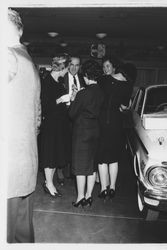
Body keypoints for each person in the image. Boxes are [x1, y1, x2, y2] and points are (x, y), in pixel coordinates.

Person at [6, 9, 41, 243]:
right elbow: (37, 117)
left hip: (7, 161)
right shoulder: (29, 60)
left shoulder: (7, 56)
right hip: (25, 159)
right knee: (22, 231)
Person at [69, 60, 104, 207]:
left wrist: (73, 99)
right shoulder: (101, 92)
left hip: (82, 132)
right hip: (95, 131)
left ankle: (80, 197)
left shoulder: (83, 93)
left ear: (87, 75)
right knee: (91, 165)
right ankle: (89, 196)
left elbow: (71, 114)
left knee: (80, 166)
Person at [97, 56, 132, 200]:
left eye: (108, 66)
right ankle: (112, 188)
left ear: (114, 68)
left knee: (102, 157)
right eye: (104, 67)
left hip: (102, 121)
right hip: (116, 122)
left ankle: (103, 188)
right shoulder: (127, 84)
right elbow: (125, 107)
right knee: (114, 157)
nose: (106, 69)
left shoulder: (102, 80)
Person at [40, 53, 71, 197]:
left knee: (54, 155)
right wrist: (60, 100)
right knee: (49, 155)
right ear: (62, 67)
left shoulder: (58, 81)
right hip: (51, 124)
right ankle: (49, 183)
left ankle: (49, 182)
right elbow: (45, 106)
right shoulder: (46, 82)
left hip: (59, 123)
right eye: (67, 67)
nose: (67, 71)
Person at [57, 55, 86, 181]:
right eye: (72, 64)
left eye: (77, 65)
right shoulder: (61, 78)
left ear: (80, 66)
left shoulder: (82, 79)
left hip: (79, 116)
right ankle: (60, 170)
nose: (74, 67)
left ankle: (71, 170)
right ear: (68, 65)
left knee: (75, 144)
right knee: (63, 142)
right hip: (63, 114)